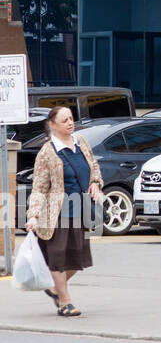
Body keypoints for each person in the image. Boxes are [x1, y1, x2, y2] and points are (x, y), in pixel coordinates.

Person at [24, 107, 103, 317]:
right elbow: (39, 187)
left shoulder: (82, 143)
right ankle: (65, 302)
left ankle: (53, 287)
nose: (70, 122)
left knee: (77, 260)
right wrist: (33, 214)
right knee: (58, 258)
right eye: (64, 120)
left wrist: (95, 183)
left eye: (71, 118)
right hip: (56, 213)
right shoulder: (47, 152)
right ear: (53, 125)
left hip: (81, 209)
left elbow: (94, 167)